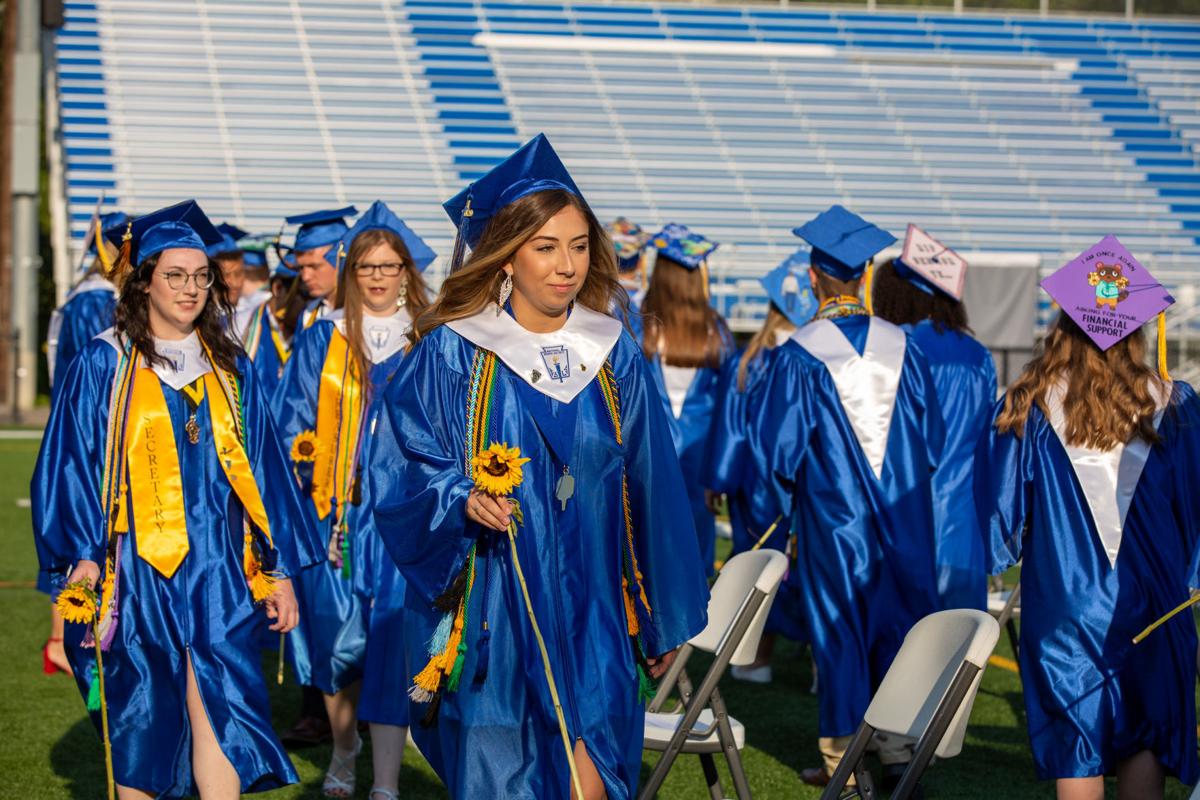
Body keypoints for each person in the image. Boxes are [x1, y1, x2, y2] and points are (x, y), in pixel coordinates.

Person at [371, 134, 709, 799]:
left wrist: (660, 611)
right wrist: (457, 495)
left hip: (594, 609)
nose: (567, 267)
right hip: (496, 610)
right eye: (546, 248)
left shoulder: (611, 352)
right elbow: (403, 467)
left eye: (579, 246)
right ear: (505, 255)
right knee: (503, 774)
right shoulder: (455, 354)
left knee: (593, 775)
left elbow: (653, 483)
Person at [31, 200, 324, 798]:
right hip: (136, 565)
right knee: (142, 713)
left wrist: (280, 570)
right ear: (143, 282)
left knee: (223, 704)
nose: (190, 289)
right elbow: (72, 465)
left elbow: (265, 475)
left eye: (200, 276)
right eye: (174, 275)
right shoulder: (105, 362)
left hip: (221, 568)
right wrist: (84, 555)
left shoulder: (229, 368)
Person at [975, 236, 1198, 800]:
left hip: (1065, 602)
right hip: (1156, 600)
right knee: (1143, 735)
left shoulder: (1027, 403)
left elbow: (999, 519)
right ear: (1138, 331)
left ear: (1063, 327)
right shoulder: (1177, 404)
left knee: (1079, 737)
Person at [744, 205, 942, 788]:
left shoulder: (800, 353)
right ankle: (898, 750)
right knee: (898, 627)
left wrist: (780, 516)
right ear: (865, 276)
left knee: (840, 632)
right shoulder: (906, 347)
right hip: (906, 518)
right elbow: (932, 443)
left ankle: (844, 765)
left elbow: (776, 452)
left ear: (812, 277)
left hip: (834, 523)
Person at [272, 200, 435, 799]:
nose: (376, 276)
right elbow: (289, 424)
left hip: (401, 520)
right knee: (337, 644)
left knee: (392, 647)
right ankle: (344, 750)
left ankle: (386, 783)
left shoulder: (429, 340)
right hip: (333, 518)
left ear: (405, 271)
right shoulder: (323, 339)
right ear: (351, 271)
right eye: (366, 266)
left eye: (388, 266)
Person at [872, 226, 996, 611]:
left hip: (905, 510)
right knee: (955, 642)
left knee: (901, 648)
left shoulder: (894, 347)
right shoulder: (979, 356)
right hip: (964, 517)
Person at [709, 253, 816, 684]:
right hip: (810, 481)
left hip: (756, 486)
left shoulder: (748, 360)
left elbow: (732, 429)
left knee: (758, 565)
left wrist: (718, 480)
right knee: (811, 568)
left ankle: (756, 658)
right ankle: (818, 668)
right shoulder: (816, 357)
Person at [42, 210, 129, 675]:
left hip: (72, 417)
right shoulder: (101, 310)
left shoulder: (79, 297)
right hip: (96, 428)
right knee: (87, 531)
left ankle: (62, 637)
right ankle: (65, 638)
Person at [639, 224, 733, 578]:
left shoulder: (639, 325)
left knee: (650, 552)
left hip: (652, 450)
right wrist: (718, 473)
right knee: (692, 558)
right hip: (700, 453)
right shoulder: (716, 330)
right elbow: (727, 410)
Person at [243, 251, 306, 400]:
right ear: (277, 288)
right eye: (303, 295)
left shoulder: (312, 330)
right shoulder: (239, 328)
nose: (310, 305)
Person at [288, 206, 358, 329]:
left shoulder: (370, 312)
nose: (305, 277)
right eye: (301, 268)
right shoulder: (308, 315)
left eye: (314, 266)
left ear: (341, 259)